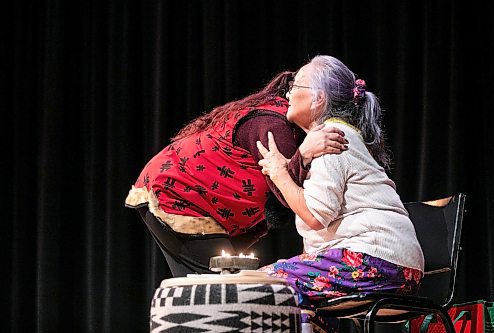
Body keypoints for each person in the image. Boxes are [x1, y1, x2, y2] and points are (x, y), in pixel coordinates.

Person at [125, 70, 349, 277]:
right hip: (179, 194)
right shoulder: (274, 123)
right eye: (293, 88)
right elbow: (286, 193)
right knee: (216, 294)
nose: (291, 94)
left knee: (221, 289)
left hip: (193, 200)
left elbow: (277, 206)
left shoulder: (283, 122)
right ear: (318, 98)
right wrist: (305, 153)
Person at [257, 55, 424, 331]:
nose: (288, 93)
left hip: (375, 261)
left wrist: (279, 173)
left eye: (295, 86)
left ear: (317, 98)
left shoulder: (331, 137)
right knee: (292, 290)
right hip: (394, 266)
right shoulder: (332, 137)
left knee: (264, 284)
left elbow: (314, 217)